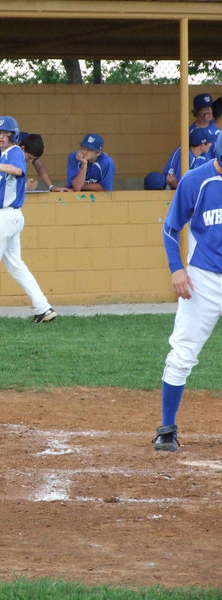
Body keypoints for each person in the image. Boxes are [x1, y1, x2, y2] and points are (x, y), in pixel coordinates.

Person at [152, 133, 222, 452]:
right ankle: (167, 429)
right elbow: (170, 227)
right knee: (182, 353)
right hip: (203, 279)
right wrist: (176, 268)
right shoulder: (196, 180)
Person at [0, 116, 56, 325]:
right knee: (16, 266)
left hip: (6, 217)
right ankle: (43, 308)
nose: (1, 137)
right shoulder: (6, 156)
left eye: (5, 134)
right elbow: (2, 190)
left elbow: (19, 171)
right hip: (9, 215)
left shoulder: (15, 153)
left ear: (14, 136)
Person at [0, 133, 69, 194]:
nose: (31, 162)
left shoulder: (25, 144)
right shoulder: (1, 151)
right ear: (22, 148)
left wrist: (51, 187)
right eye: (30, 158)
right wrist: (24, 187)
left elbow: (39, 165)